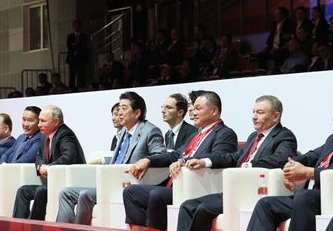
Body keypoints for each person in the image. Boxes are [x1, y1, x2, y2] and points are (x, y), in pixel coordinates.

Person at [176, 95, 297, 231]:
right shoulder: (253, 136)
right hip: (234, 189)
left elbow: (280, 159)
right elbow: (234, 157)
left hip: (253, 191)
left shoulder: (285, 136)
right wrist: (205, 162)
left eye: (260, 112)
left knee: (204, 208)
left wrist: (249, 166)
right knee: (187, 206)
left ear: (275, 116)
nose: (254, 116)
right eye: (253, 112)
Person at [123, 91, 238, 231]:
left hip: (197, 187)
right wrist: (148, 159)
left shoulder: (225, 133)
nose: (193, 113)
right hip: (176, 184)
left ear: (214, 110)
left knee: (157, 195)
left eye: (198, 109)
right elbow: (175, 155)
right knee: (131, 192)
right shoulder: (197, 134)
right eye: (193, 108)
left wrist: (184, 161)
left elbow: (220, 157)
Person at [56, 91, 166, 225]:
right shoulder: (124, 132)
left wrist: (147, 161)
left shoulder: (150, 131)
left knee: (85, 194)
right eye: (119, 108)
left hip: (129, 185)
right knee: (65, 192)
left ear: (137, 113)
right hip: (110, 181)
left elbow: (161, 155)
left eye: (124, 108)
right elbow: (122, 158)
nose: (119, 112)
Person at [245, 132, 333, 231]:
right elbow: (309, 157)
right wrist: (290, 165)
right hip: (309, 197)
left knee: (303, 196)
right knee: (265, 204)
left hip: (327, 197)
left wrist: (309, 172)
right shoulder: (331, 139)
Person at [12, 104, 85, 221]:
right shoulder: (44, 135)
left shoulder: (65, 134)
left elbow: (68, 157)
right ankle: (17, 226)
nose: (39, 124)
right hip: (51, 183)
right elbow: (39, 156)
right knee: (23, 191)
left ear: (56, 122)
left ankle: (34, 227)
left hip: (68, 183)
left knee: (41, 191)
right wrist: (41, 166)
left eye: (42, 121)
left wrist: (49, 168)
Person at [0, 106, 41, 214]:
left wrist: (8, 168)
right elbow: (6, 154)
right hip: (8, 176)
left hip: (21, 179)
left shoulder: (40, 139)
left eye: (30, 120)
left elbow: (26, 159)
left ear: (39, 122)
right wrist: (4, 164)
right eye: (24, 119)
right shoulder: (21, 137)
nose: (25, 124)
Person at [66, 19, 89, 91]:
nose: (77, 28)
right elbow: (69, 46)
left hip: (81, 57)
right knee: (72, 73)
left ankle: (82, 87)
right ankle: (71, 87)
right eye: (75, 26)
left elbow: (84, 45)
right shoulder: (70, 36)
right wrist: (77, 45)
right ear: (73, 27)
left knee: (82, 73)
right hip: (72, 58)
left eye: (78, 26)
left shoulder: (84, 35)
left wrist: (75, 44)